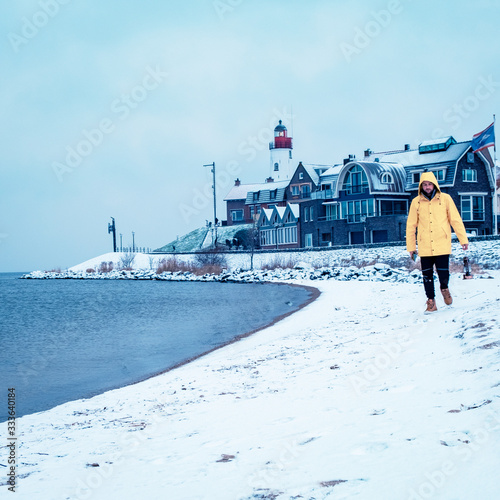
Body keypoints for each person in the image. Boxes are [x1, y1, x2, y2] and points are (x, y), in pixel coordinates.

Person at [406, 171, 469, 313]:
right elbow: (411, 226)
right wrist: (411, 247)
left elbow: (455, 220)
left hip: (442, 243)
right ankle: (431, 302)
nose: (427, 187)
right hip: (425, 245)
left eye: (430, 184)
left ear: (434, 185)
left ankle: (444, 289)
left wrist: (462, 239)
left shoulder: (445, 199)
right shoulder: (416, 202)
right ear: (421, 186)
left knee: (443, 274)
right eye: (425, 185)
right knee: (426, 276)